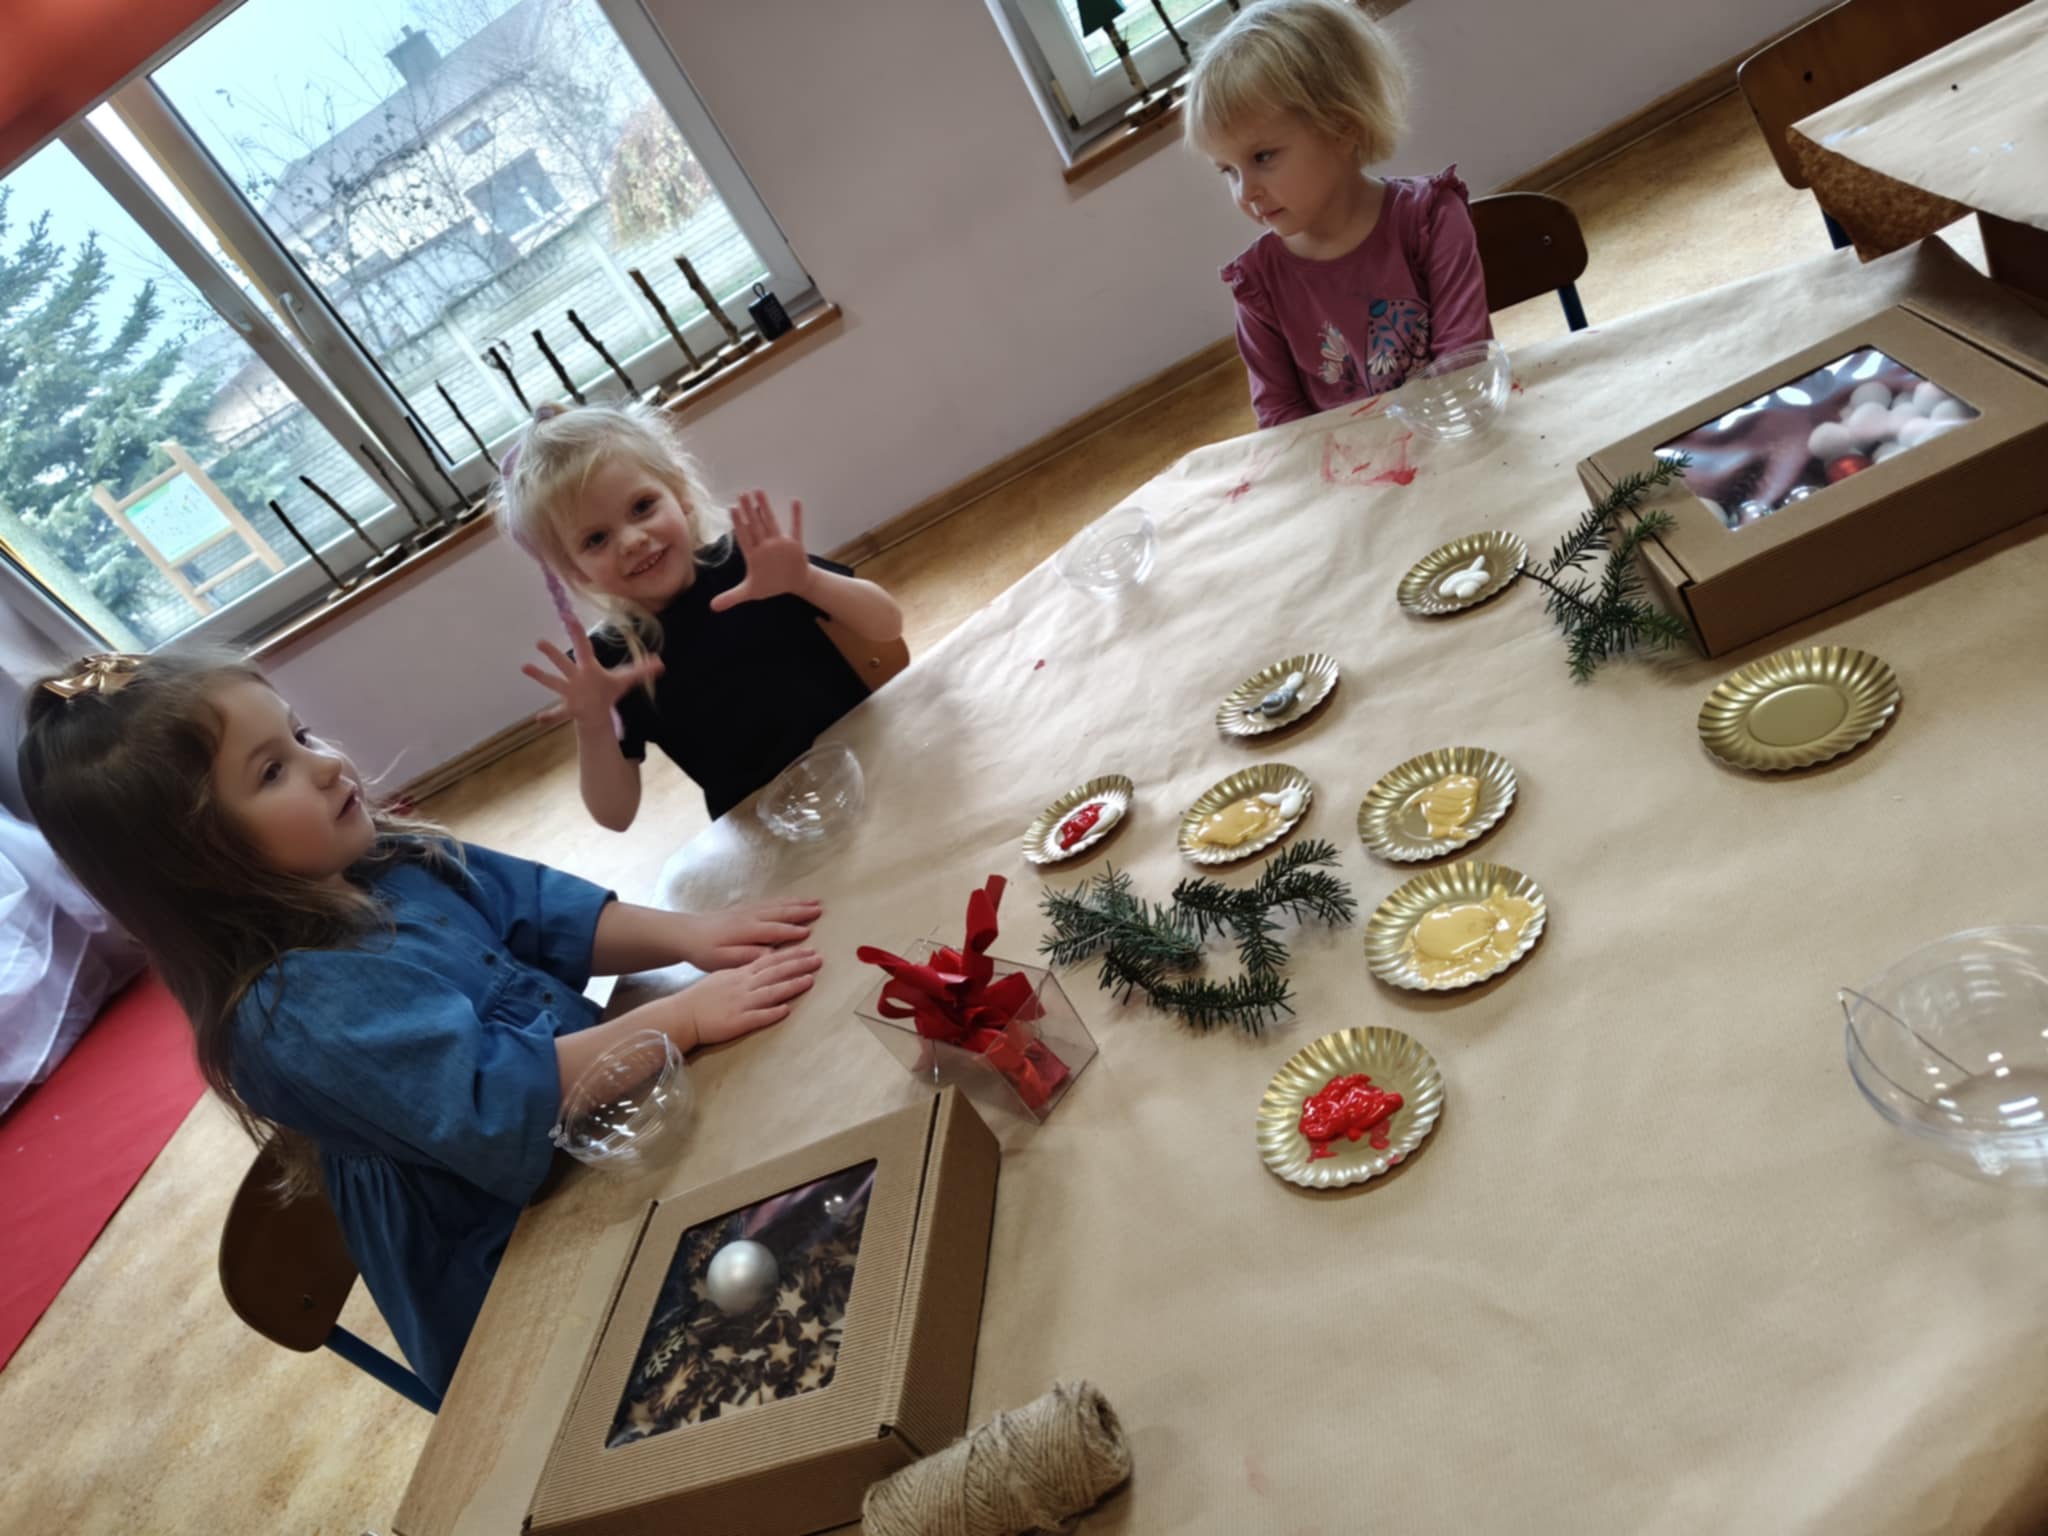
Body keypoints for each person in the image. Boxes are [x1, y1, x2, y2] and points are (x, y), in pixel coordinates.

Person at [18, 649, 822, 1392]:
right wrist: (683, 1017)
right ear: (198, 864)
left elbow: (540, 910)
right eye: (272, 771)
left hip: (610, 1140)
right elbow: (503, 1097)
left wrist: (690, 935)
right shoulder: (292, 1010)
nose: (326, 764)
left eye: (300, 734)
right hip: (524, 1273)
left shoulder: (384, 860)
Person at [1186, 0, 1492, 427]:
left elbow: (1463, 363)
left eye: (1262, 156)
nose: (1246, 191)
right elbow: (1281, 419)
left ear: (1342, 126)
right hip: (1353, 460)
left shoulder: (1431, 220)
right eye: (1228, 171)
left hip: (1454, 432)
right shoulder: (1259, 286)